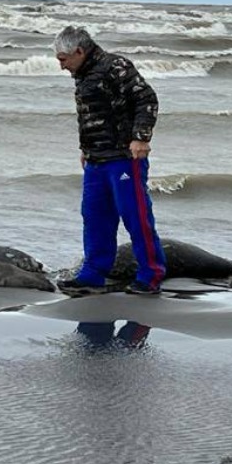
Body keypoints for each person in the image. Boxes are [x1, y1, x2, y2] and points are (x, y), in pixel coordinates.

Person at [53, 25, 167, 347]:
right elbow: (91, 115)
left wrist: (141, 138)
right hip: (96, 159)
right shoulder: (82, 73)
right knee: (94, 215)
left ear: (79, 52)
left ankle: (151, 275)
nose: (60, 65)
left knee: (135, 216)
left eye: (63, 59)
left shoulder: (115, 66)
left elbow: (147, 98)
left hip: (124, 156)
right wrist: (85, 150)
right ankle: (93, 274)